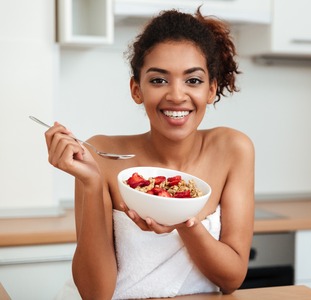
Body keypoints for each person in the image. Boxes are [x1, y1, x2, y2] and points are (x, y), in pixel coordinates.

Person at [46, 8, 255, 300]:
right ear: (136, 89)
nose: (176, 95)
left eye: (192, 80)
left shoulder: (233, 149)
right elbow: (95, 295)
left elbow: (231, 279)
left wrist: (183, 222)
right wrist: (91, 185)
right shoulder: (101, 155)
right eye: (159, 80)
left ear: (211, 89)